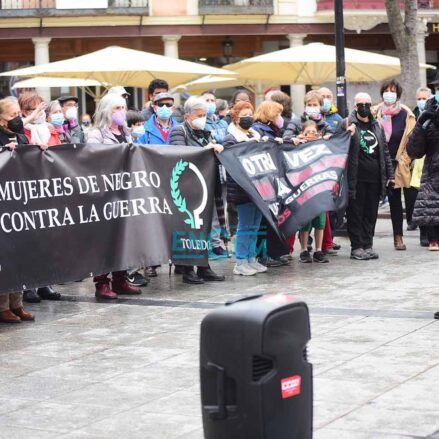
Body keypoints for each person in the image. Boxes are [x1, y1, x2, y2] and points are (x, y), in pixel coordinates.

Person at [87, 93, 143, 299]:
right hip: (105, 193)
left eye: (123, 108)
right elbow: (92, 160)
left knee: (124, 237)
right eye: (117, 108)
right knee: (105, 240)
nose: (122, 112)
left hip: (125, 191)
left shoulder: (127, 132)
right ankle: (102, 282)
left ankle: (120, 279)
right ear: (106, 111)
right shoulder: (96, 134)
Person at [169, 96, 225, 284]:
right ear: (187, 116)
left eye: (204, 115)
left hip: (205, 186)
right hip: (186, 188)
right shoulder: (178, 131)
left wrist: (217, 148)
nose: (202, 118)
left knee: (204, 229)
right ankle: (186, 269)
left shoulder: (205, 132)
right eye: (199, 115)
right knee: (186, 229)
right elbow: (177, 153)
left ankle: (203, 266)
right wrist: (205, 150)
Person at [344, 92, 394, 260]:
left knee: (371, 213)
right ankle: (356, 246)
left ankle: (368, 244)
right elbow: (336, 144)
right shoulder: (348, 125)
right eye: (361, 104)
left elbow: (385, 152)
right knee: (356, 213)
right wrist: (346, 133)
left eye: (367, 104)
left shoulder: (377, 126)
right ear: (355, 107)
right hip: (356, 178)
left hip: (375, 178)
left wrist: (390, 175)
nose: (364, 107)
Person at [0, 96, 37, 322]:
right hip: (4, 203)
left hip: (22, 202)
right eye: (12, 116)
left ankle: (17, 303)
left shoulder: (21, 134)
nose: (17, 119)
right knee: (6, 255)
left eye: (18, 115)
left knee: (21, 254)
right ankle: (3, 304)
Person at [223, 101, 266, 275]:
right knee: (245, 225)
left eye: (250, 115)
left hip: (257, 187)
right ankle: (240, 262)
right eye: (244, 116)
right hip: (241, 188)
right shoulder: (230, 138)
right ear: (235, 118)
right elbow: (234, 157)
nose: (248, 119)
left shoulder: (254, 133)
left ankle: (250, 258)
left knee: (255, 225)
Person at [375, 78, 416, 251]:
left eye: (392, 90)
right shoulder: (374, 111)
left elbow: (412, 139)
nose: (389, 93)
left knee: (399, 201)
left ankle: (399, 236)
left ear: (398, 94)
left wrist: (405, 159)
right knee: (379, 202)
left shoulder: (406, 113)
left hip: (398, 163)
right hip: (379, 163)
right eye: (386, 90)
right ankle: (371, 237)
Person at [407, 75, 439, 259]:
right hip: (432, 169)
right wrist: (421, 124)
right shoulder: (428, 110)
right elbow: (415, 150)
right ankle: (433, 238)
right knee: (431, 203)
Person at [411, 87, 432, 247]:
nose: (422, 101)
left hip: (431, 161)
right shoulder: (415, 115)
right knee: (423, 200)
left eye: (425, 98)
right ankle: (424, 232)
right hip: (421, 162)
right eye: (420, 98)